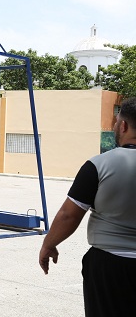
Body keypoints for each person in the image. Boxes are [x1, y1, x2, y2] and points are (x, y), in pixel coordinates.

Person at [38, 97, 136, 316]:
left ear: (124, 125)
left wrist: (49, 244)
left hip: (110, 266)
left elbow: (68, 216)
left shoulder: (99, 165)